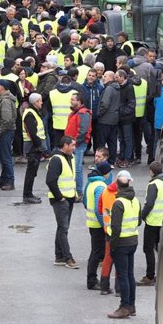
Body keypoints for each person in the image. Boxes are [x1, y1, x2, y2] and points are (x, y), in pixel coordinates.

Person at [107, 173, 141, 318]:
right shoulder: (135, 200)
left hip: (121, 243)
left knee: (123, 276)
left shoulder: (119, 203)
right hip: (133, 240)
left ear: (117, 186)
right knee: (130, 274)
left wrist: (112, 246)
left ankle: (124, 306)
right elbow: (139, 221)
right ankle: (131, 306)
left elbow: (115, 227)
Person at [138, 161, 163, 286]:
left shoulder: (153, 184)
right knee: (162, 250)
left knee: (148, 249)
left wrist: (141, 217)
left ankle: (150, 276)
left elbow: (149, 204)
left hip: (153, 222)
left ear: (151, 171)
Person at [46, 135, 78, 269]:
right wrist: (60, 197)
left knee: (62, 227)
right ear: (65, 145)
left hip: (69, 197)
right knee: (64, 229)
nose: (74, 148)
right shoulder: (56, 160)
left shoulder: (71, 157)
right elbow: (50, 181)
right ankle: (67, 258)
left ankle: (59, 256)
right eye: (72, 145)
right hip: (61, 200)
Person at [84, 161, 112, 290]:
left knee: (95, 251)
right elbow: (98, 209)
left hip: (91, 223)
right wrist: (105, 226)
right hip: (98, 225)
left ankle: (92, 278)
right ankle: (91, 280)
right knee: (97, 253)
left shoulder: (91, 183)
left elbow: (85, 201)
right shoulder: (101, 186)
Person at [64, 92, 91, 198]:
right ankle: (76, 191)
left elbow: (83, 131)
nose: (71, 101)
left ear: (79, 102)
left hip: (77, 144)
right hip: (74, 144)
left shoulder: (83, 113)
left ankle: (79, 192)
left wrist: (73, 143)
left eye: (73, 99)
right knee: (74, 168)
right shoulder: (77, 113)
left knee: (77, 169)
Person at [0, 79, 16, 191]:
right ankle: (3, 179)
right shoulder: (3, 99)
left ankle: (10, 181)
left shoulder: (5, 101)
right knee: (3, 156)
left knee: (6, 157)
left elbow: (6, 120)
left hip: (6, 131)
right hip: (6, 131)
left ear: (2, 87)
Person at [21, 93, 44, 204]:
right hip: (32, 147)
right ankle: (27, 195)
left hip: (34, 146)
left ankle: (29, 193)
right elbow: (32, 133)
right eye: (40, 101)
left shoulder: (33, 112)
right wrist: (40, 146)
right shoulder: (30, 114)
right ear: (35, 102)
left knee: (32, 172)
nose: (42, 103)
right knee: (31, 172)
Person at [96, 71, 120, 166]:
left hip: (105, 119)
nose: (103, 78)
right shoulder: (117, 88)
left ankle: (100, 162)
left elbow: (105, 104)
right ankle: (111, 161)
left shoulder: (109, 89)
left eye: (105, 76)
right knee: (112, 141)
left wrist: (99, 114)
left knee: (102, 142)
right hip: (114, 119)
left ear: (110, 78)